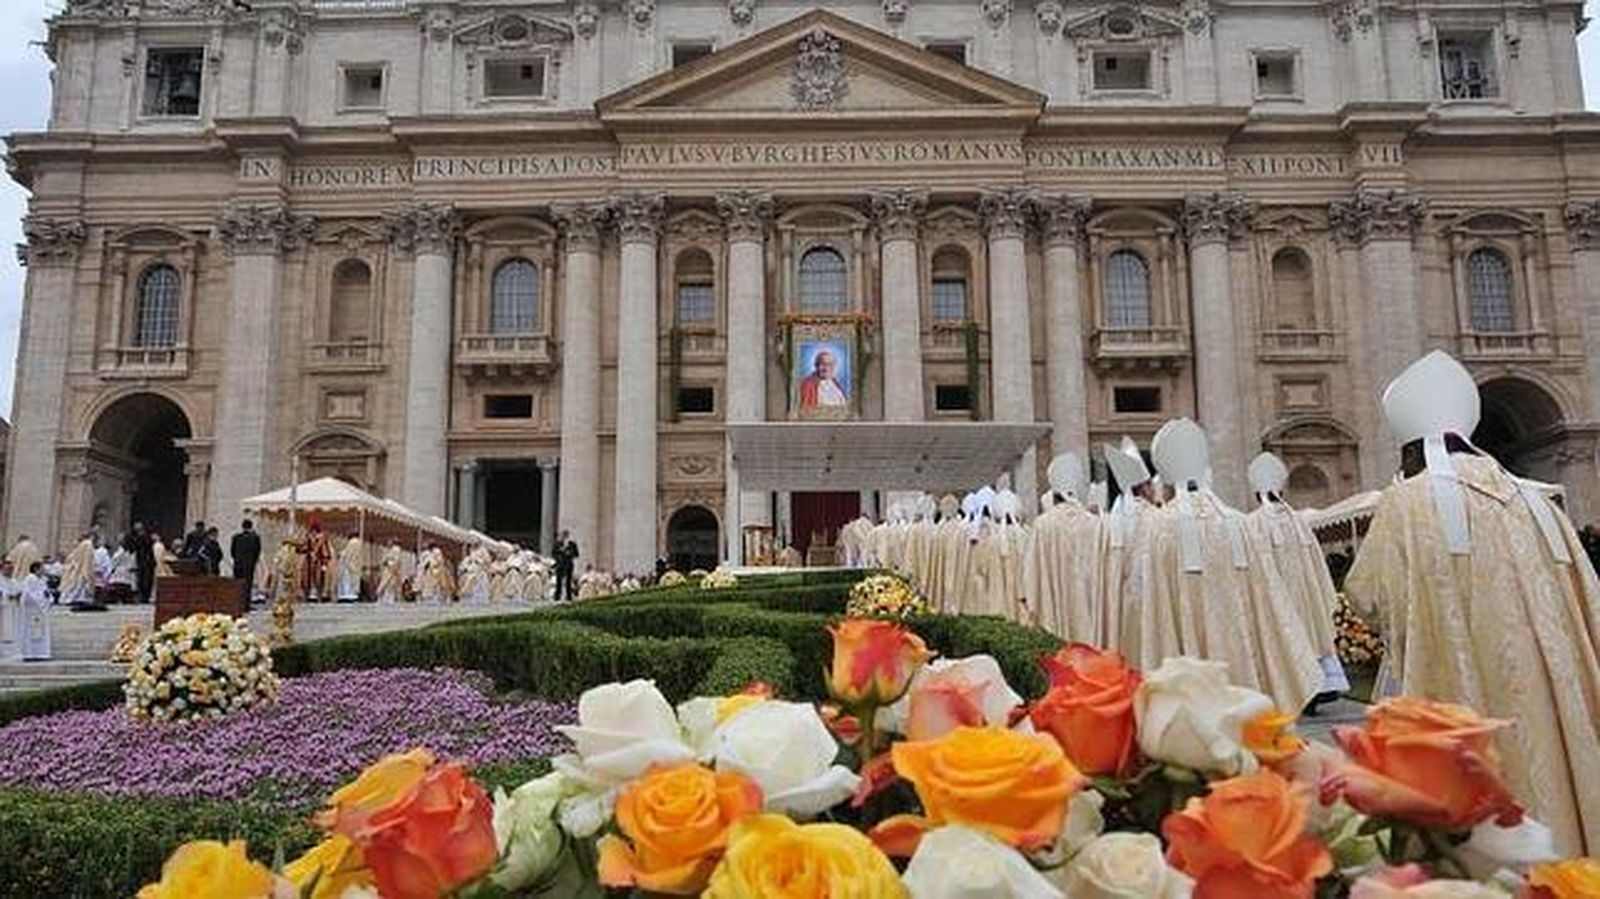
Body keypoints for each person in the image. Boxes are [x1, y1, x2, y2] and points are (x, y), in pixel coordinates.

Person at [1345, 350, 1600, 856]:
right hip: (1557, 710)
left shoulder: (1407, 501)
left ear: (1412, 447)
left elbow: (1367, 594)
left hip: (1467, 702)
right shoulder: (1538, 502)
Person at [20, 561, 51, 661]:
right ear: (36, 569)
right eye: (42, 568)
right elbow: (27, 594)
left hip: (41, 610)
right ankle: (30, 654)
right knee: (31, 632)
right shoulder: (30, 579)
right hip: (32, 610)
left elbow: (46, 593)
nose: (44, 570)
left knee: (41, 632)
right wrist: (40, 601)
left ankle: (42, 653)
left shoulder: (42, 580)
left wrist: (48, 599)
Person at [58, 532, 96, 605]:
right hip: (82, 568)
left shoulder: (81, 545)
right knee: (80, 586)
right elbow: (87, 559)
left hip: (77, 568)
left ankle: (71, 599)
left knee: (75, 585)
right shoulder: (88, 544)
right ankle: (79, 599)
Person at [230, 520, 262, 588]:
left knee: (237, 583)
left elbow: (232, 552)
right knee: (247, 584)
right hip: (249, 565)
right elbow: (257, 552)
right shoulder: (255, 538)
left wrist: (237, 559)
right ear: (251, 527)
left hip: (238, 564)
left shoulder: (236, 537)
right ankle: (246, 597)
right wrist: (253, 561)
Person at [128, 523, 155, 603]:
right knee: (144, 580)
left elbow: (134, 548)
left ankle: (144, 596)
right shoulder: (146, 537)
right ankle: (144, 596)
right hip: (145, 561)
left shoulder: (142, 537)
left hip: (144, 562)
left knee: (144, 580)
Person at [334, 534, 364, 602]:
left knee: (347, 582)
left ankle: (347, 595)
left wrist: (341, 555)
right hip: (355, 565)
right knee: (353, 581)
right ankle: (352, 594)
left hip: (348, 567)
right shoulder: (359, 543)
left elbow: (348, 555)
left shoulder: (352, 542)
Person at [375, 540, 404, 604]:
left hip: (392, 574)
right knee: (384, 588)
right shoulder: (388, 550)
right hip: (386, 572)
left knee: (390, 590)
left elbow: (396, 562)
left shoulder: (396, 550)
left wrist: (388, 563)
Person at [553, 531, 579, 602]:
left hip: (568, 564)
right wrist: (559, 553)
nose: (564, 537)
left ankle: (568, 596)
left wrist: (570, 553)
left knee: (568, 580)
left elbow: (576, 554)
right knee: (558, 580)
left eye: (566, 535)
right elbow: (553, 553)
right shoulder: (558, 543)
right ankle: (557, 596)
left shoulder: (572, 544)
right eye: (563, 535)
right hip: (560, 564)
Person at [0, 561, 18, 661]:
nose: (10, 571)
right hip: (2, 609)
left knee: (10, 633)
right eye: (7, 569)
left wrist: (17, 595)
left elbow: (18, 591)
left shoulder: (14, 581)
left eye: (11, 569)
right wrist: (6, 596)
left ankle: (10, 652)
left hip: (12, 609)